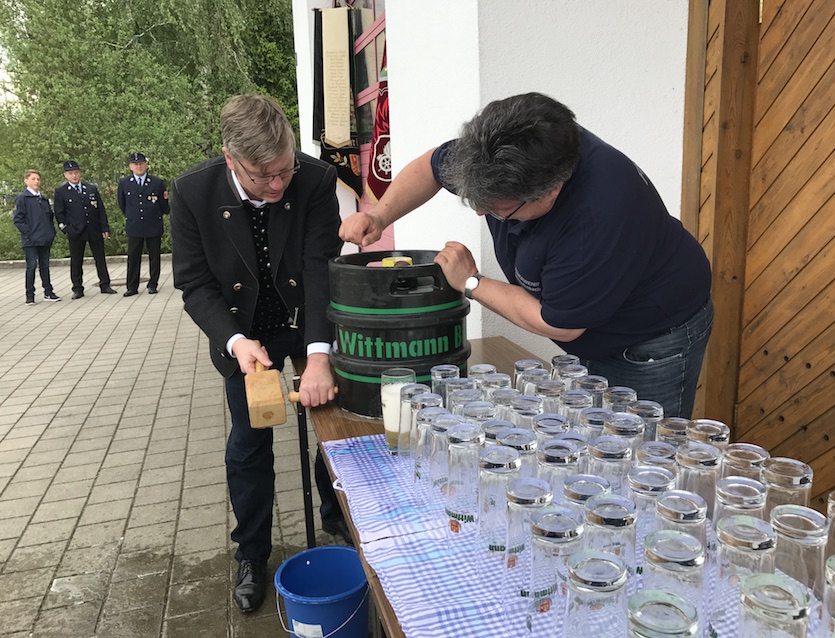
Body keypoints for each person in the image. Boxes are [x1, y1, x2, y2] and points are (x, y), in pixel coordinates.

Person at [340, 92, 713, 419]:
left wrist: (471, 281)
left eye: (498, 209)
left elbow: (560, 324)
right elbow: (431, 168)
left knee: (638, 451)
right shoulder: (499, 151)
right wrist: (379, 216)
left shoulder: (597, 217)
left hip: (651, 337)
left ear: (550, 191)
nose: (480, 212)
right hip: (595, 317)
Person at [170, 94, 348, 614]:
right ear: (231, 159)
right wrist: (235, 341)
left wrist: (319, 355)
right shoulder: (191, 191)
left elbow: (320, 268)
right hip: (244, 335)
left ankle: (338, 517)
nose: (278, 184)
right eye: (262, 175)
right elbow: (194, 284)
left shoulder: (315, 180)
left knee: (334, 426)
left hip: (307, 322)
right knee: (249, 445)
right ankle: (251, 552)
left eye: (285, 169)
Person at [54, 160, 116, 298]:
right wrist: (66, 229)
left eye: (76, 172)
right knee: (76, 260)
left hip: (94, 228)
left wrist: (104, 227)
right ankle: (77, 288)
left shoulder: (90, 188)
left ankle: (105, 284)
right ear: (65, 175)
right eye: (71, 173)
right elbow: (59, 213)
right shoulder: (61, 191)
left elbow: (100, 209)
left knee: (100, 258)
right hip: (76, 230)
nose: (74, 176)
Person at [118, 152, 169, 296]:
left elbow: (164, 205)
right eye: (135, 164)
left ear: (146, 165)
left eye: (141, 163)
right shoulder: (124, 183)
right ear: (130, 166)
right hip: (135, 225)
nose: (138, 166)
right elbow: (122, 204)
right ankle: (132, 287)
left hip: (153, 224)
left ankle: (153, 284)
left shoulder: (156, 182)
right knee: (133, 257)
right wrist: (132, 215)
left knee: (154, 256)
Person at [14, 169, 60, 305]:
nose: (36, 181)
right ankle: (30, 295)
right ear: (26, 181)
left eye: (38, 179)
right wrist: (28, 233)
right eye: (33, 179)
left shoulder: (43, 199)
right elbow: (18, 219)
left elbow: (49, 217)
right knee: (31, 266)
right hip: (30, 240)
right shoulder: (23, 198)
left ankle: (48, 292)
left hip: (44, 238)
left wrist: (51, 232)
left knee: (45, 265)